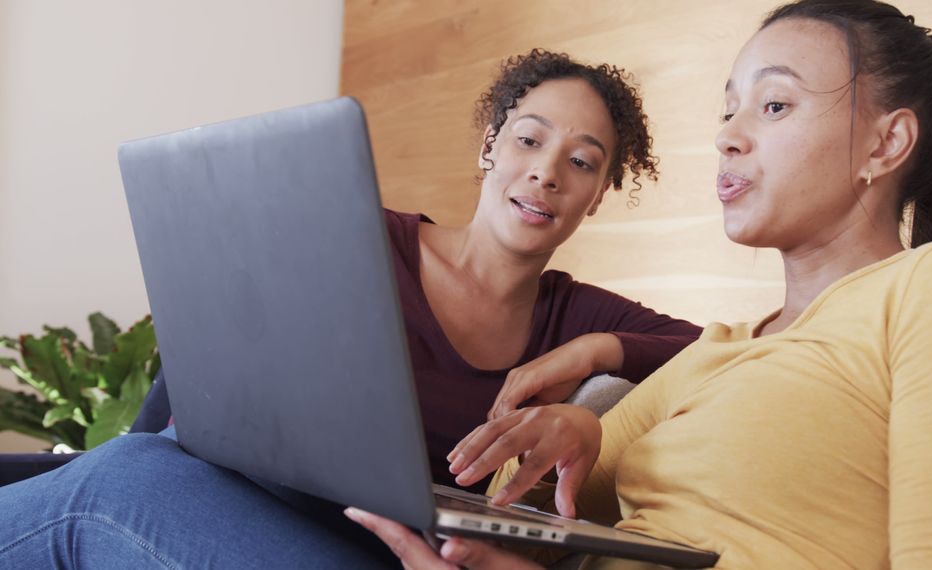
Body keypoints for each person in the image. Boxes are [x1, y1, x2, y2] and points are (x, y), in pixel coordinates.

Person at [351, 1, 932, 568]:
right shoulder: (722, 347)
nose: (727, 136)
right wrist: (572, 430)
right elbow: (546, 501)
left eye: (774, 106)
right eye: (729, 110)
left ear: (885, 144)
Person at [0, 50, 702, 568]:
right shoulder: (357, 236)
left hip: (368, 545)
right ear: (491, 146)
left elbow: (710, 348)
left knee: (127, 480)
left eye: (583, 162)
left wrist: (592, 357)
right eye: (529, 139)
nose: (547, 172)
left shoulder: (571, 316)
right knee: (131, 473)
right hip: (222, 491)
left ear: (600, 193)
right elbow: (198, 371)